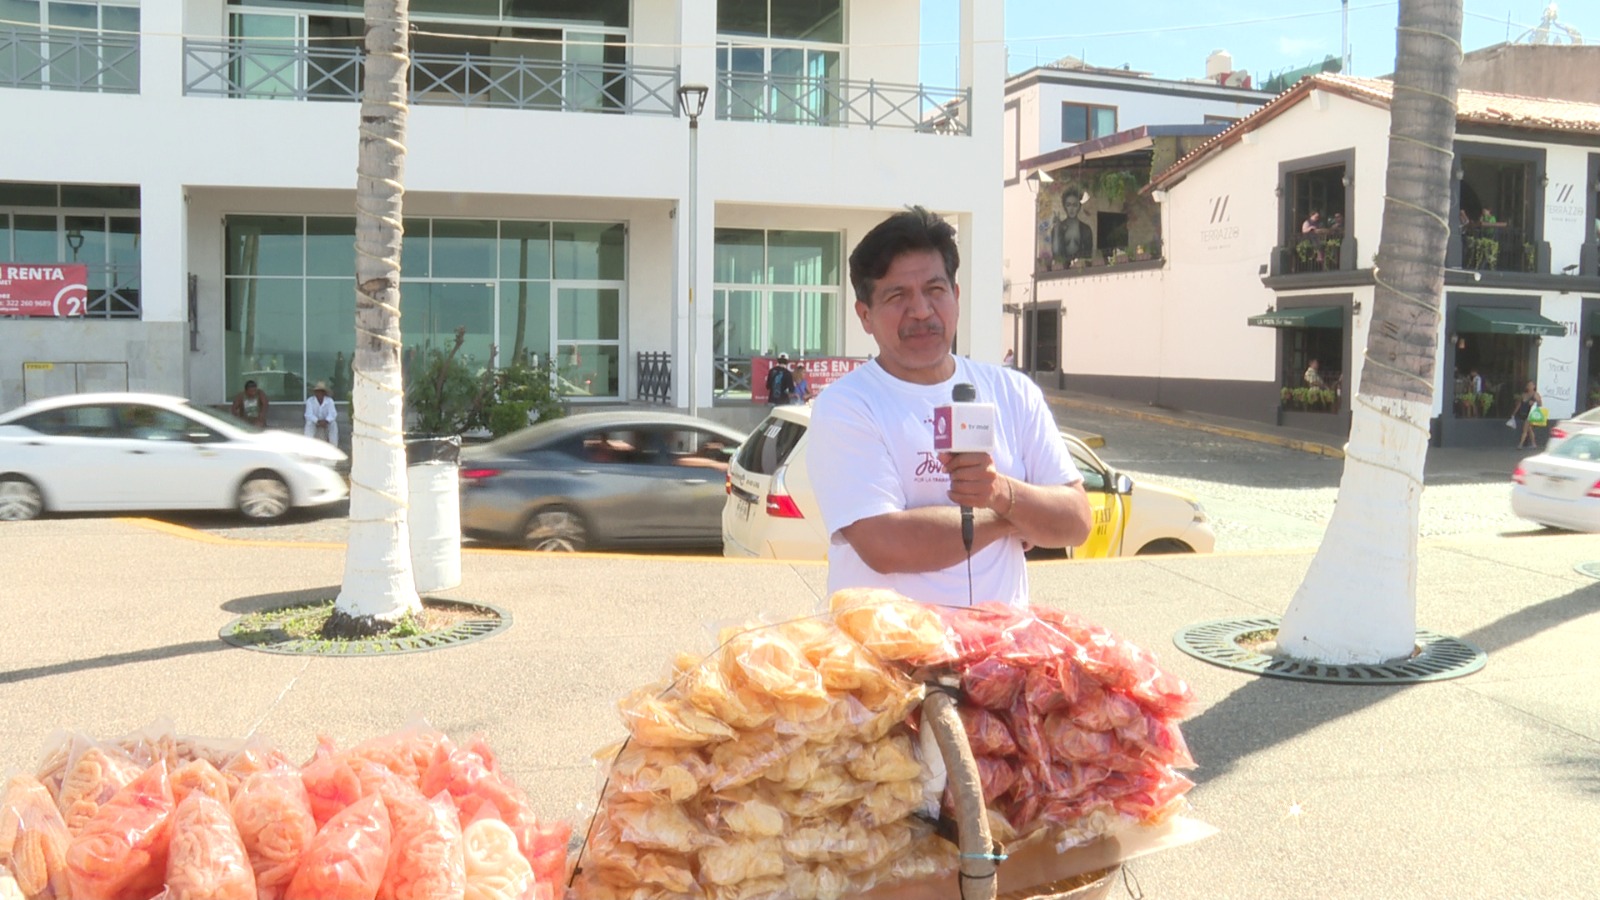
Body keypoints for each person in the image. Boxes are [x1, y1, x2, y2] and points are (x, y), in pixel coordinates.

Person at [807, 206, 1093, 609]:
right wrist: (1011, 517)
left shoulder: (1013, 392)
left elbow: (1077, 520)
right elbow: (885, 545)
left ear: (956, 297)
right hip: (888, 661)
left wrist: (1001, 490)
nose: (922, 311)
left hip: (1000, 656)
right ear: (865, 315)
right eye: (897, 295)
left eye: (935, 290)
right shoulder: (846, 406)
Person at [1515, 380, 1544, 450]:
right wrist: (1514, 412)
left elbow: (1540, 404)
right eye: (1528, 385)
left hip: (1531, 414)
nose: (1529, 386)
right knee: (1529, 429)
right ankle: (1534, 444)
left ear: (1534, 386)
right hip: (1524, 413)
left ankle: (1520, 444)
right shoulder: (1524, 394)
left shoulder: (1536, 395)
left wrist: (1534, 403)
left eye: (1531, 385)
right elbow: (1519, 404)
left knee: (1525, 429)